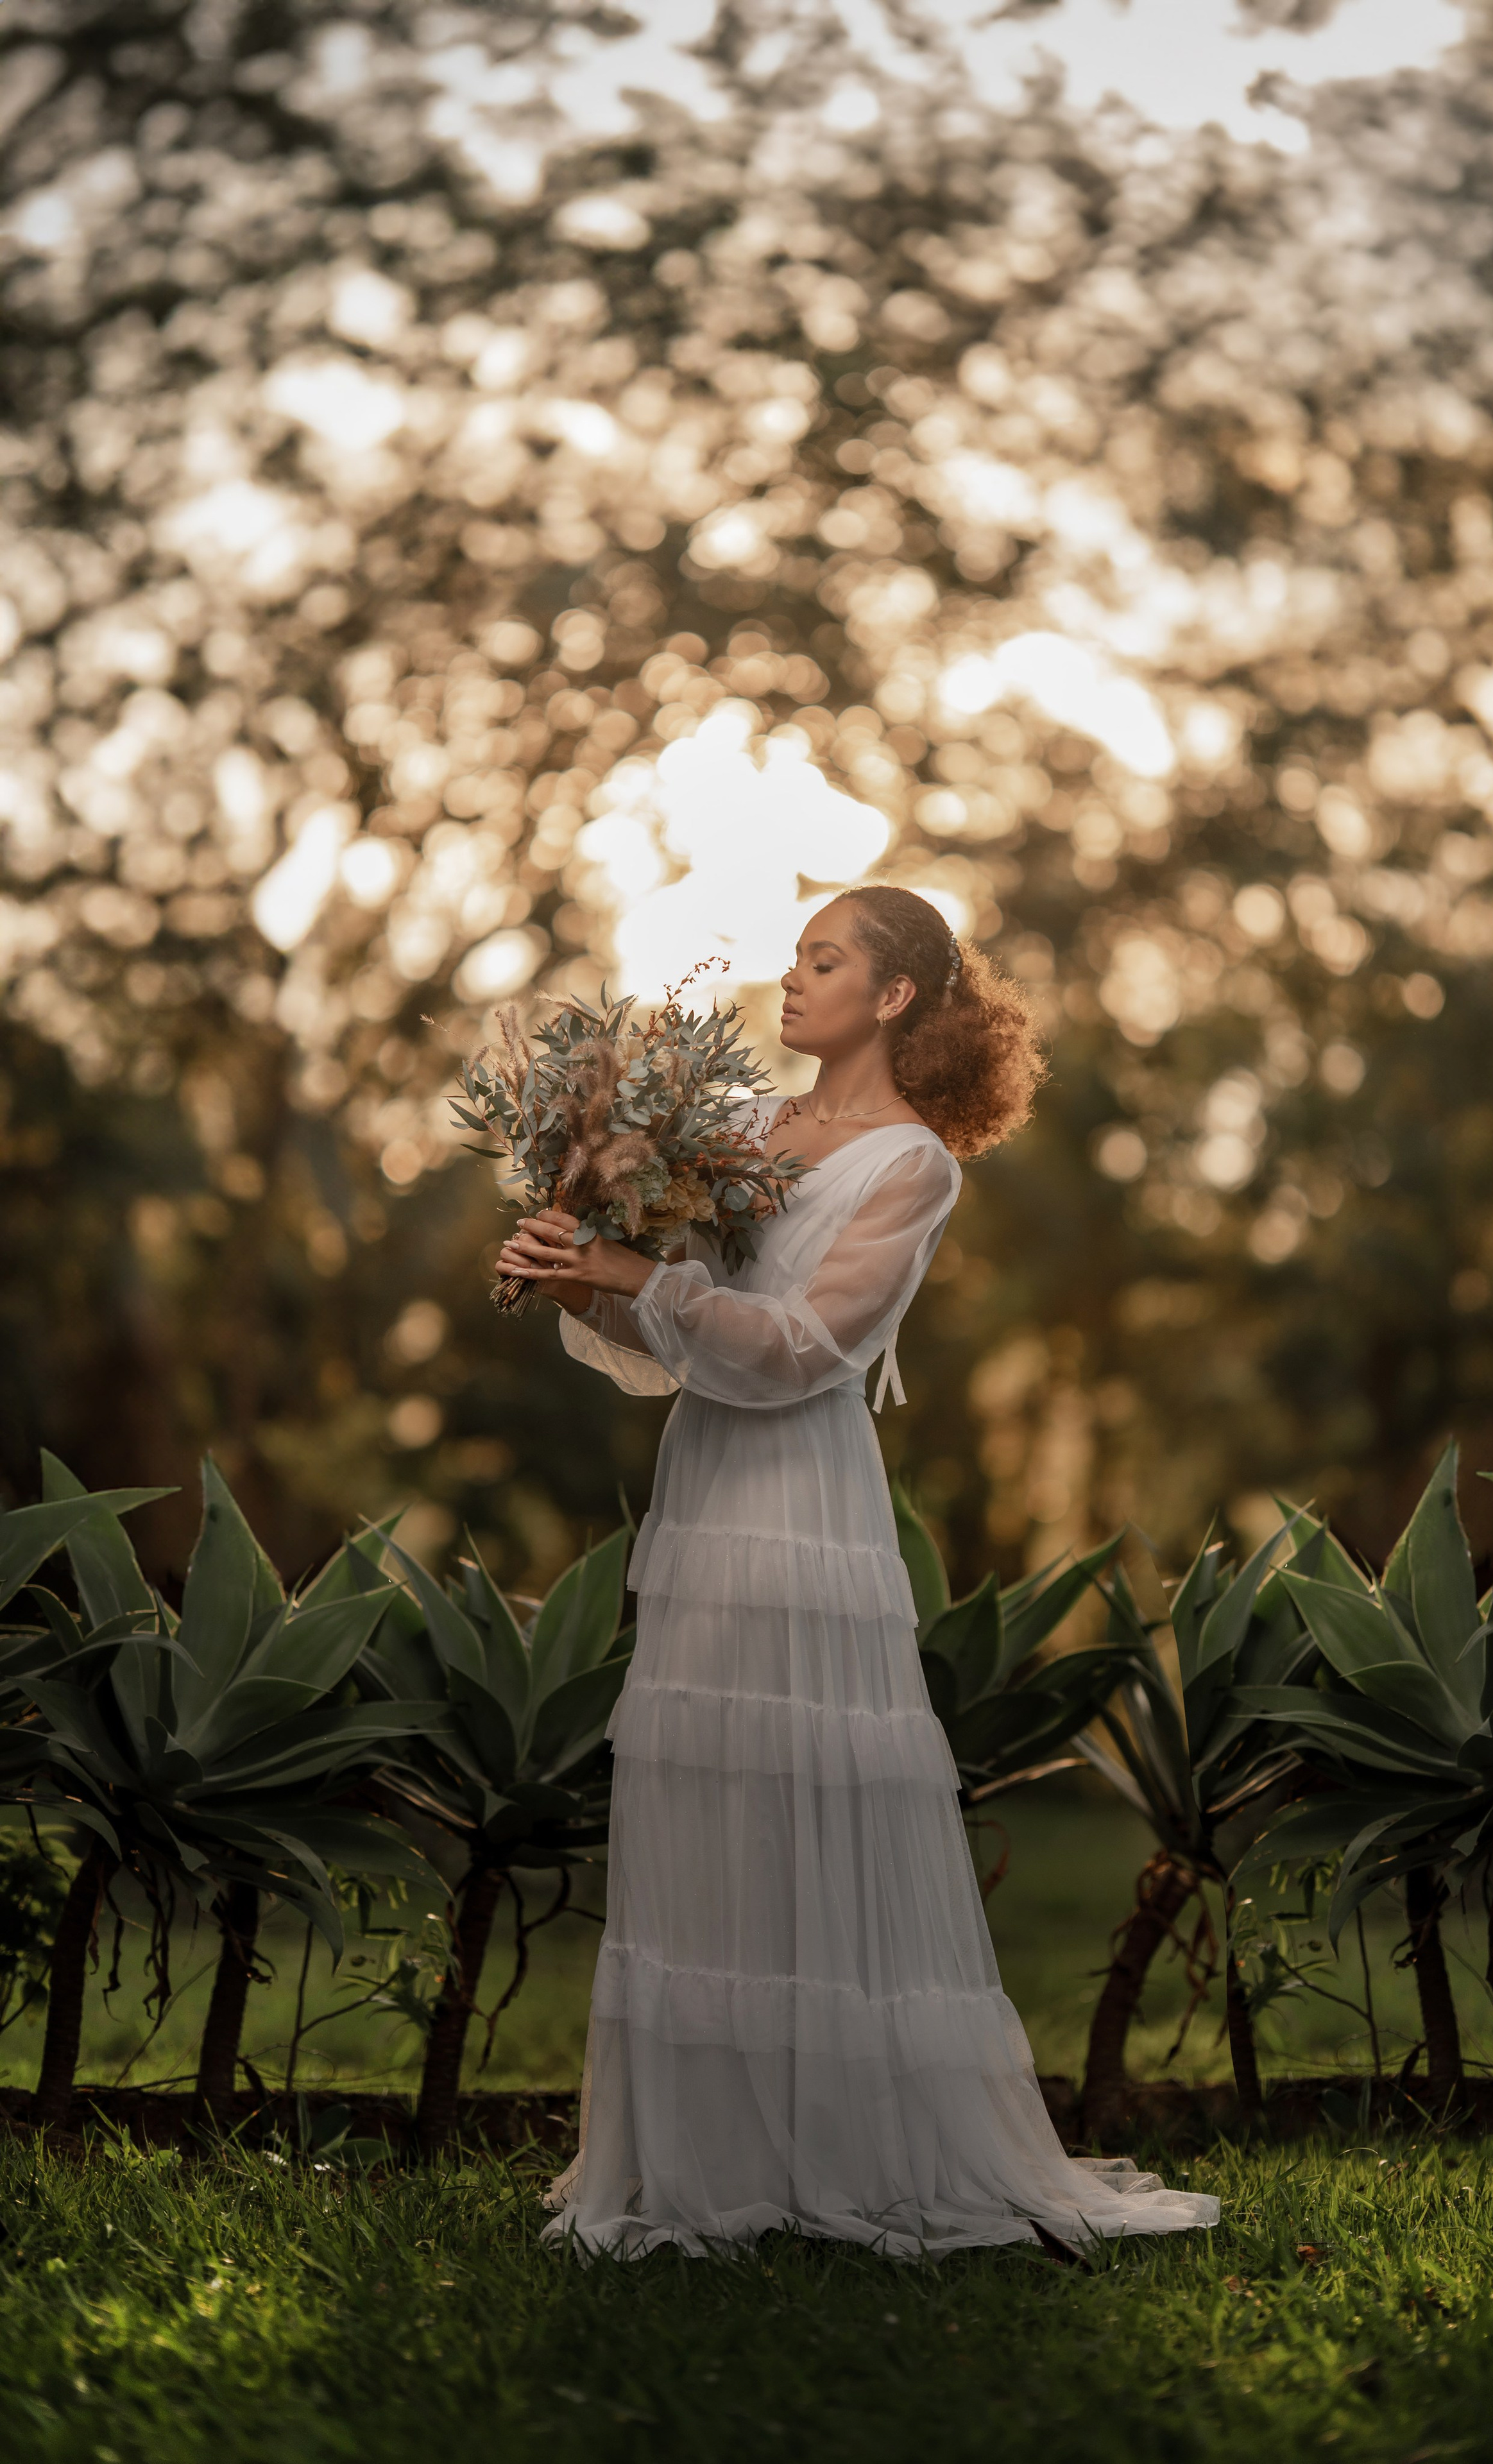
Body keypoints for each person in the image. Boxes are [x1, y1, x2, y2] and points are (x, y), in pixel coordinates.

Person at [495, 886, 1219, 2256]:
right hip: (706, 1492)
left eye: (823, 959)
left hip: (800, 1501)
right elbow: (682, 1345)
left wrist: (625, 1269)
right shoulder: (749, 1133)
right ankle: (704, 2159)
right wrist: (574, 1270)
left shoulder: (911, 1163)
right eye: (794, 956)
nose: (791, 977)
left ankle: (844, 2147)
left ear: (892, 997)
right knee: (704, 1791)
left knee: (803, 1790)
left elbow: (799, 1349)